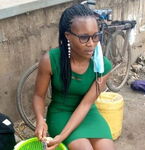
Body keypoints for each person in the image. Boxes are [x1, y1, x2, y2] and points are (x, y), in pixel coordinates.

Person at [32, 4, 115, 150]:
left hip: (88, 112)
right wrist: (40, 119)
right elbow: (39, 96)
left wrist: (62, 137)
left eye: (95, 36)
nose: (91, 44)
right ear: (68, 35)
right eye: (84, 37)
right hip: (60, 113)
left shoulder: (103, 66)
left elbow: (86, 104)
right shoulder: (50, 61)